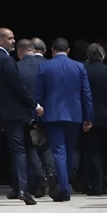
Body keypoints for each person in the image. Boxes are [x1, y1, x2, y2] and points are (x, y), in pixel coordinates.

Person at [0, 27, 42, 206]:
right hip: (11, 114)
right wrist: (35, 105)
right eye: (10, 38)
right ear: (0, 40)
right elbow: (18, 87)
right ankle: (22, 190)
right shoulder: (8, 61)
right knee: (18, 151)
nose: (13, 41)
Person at [34, 37, 94, 202]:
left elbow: (38, 94)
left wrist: (36, 116)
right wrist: (88, 116)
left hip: (52, 114)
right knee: (68, 150)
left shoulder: (44, 66)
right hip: (74, 115)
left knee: (58, 151)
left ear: (52, 50)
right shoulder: (79, 67)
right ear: (67, 51)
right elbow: (86, 94)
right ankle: (64, 184)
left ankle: (64, 188)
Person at [15, 38, 55, 199]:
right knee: (47, 146)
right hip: (47, 112)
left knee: (28, 147)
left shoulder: (16, 67)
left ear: (20, 52)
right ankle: (51, 173)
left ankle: (40, 176)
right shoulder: (47, 65)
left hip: (24, 113)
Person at [83, 42, 107, 195]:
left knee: (92, 153)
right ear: (103, 56)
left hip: (90, 118)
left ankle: (95, 184)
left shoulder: (83, 71)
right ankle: (105, 182)